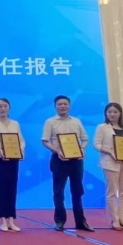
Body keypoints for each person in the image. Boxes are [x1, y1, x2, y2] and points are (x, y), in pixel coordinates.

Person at [42, 95, 94, 232]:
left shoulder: (76, 121)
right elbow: (45, 141)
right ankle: (60, 221)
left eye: (65, 104)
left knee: (77, 191)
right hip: (59, 160)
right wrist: (58, 151)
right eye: (60, 104)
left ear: (69, 105)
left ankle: (81, 222)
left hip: (76, 160)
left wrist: (81, 148)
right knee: (58, 191)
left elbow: (85, 139)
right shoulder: (50, 122)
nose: (63, 106)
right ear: (55, 106)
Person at [0, 98, 24, 232]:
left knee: (12, 188)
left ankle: (11, 219)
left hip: (13, 159)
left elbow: (21, 141)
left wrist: (19, 151)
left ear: (9, 108)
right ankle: (2, 220)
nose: (2, 109)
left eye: (5, 106)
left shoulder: (15, 124)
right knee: (0, 188)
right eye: (0, 106)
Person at [93, 102, 123, 230]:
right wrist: (110, 151)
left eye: (115, 112)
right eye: (110, 112)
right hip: (110, 163)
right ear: (106, 113)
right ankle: (114, 219)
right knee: (111, 192)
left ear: (120, 113)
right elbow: (96, 144)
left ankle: (122, 219)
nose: (112, 114)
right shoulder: (102, 127)